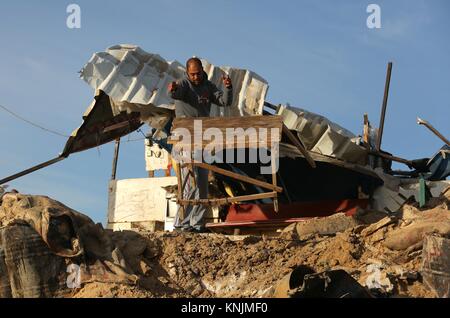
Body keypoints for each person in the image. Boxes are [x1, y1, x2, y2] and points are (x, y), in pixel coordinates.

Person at [168, 57, 233, 232]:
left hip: (202, 141)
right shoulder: (183, 84)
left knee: (202, 185)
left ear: (202, 70)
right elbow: (176, 93)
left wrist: (228, 88)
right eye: (192, 74)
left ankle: (196, 224)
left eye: (198, 73)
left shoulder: (208, 86)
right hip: (184, 140)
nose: (195, 77)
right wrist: (173, 90)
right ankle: (181, 224)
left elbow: (224, 101)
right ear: (187, 73)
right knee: (190, 183)